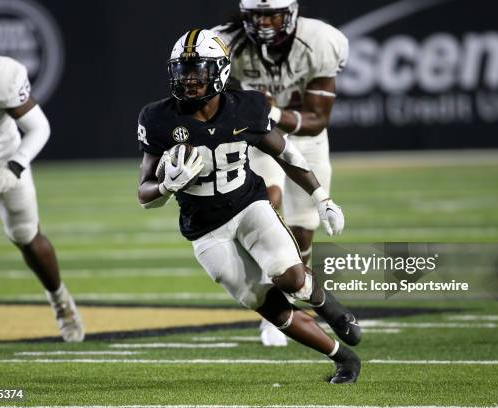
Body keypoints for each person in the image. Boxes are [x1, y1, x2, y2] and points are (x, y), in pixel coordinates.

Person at [137, 28, 360, 383]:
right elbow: (144, 193)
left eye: (199, 70)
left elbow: (285, 152)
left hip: (248, 206)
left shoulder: (247, 107)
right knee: (270, 306)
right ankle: (343, 358)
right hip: (205, 229)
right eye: (183, 70)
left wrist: (322, 198)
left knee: (293, 279)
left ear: (222, 71)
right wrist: (165, 186)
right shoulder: (157, 118)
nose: (189, 80)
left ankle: (328, 307)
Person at [213, 0, 349, 346]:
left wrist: (273, 112)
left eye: (273, 14)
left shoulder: (320, 41)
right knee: (266, 208)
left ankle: (296, 293)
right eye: (257, 15)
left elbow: (318, 118)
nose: (265, 23)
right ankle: (277, 308)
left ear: (291, 13)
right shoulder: (226, 43)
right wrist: (247, 114)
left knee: (303, 231)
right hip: (257, 135)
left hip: (306, 138)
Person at [0, 11, 84, 342]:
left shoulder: (3, 75)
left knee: (26, 237)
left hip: (4, 158)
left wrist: (16, 164)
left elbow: (39, 127)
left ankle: (60, 301)